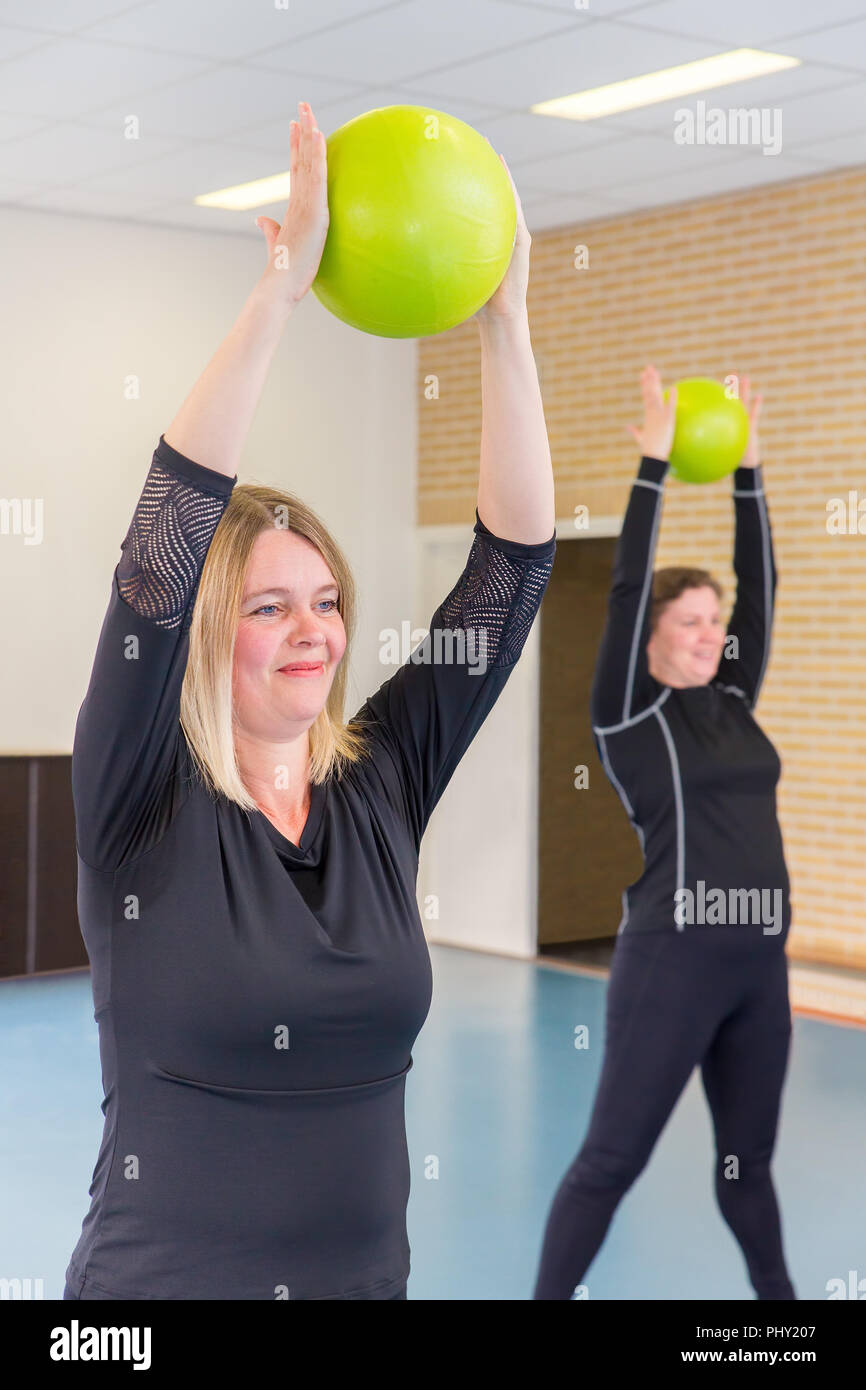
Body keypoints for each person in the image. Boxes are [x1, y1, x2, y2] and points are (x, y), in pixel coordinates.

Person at [63, 100, 556, 1300]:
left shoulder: (380, 780)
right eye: (271, 605)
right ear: (205, 628)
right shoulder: (139, 792)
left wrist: (504, 327)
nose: (314, 632)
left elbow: (510, 570)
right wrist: (277, 298)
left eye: (327, 601)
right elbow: (163, 539)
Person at [532, 364, 795, 1300]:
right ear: (651, 638)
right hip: (673, 962)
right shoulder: (629, 717)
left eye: (714, 620)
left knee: (746, 1171)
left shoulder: (732, 701)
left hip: (758, 968)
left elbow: (764, 583)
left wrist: (748, 472)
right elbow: (626, 583)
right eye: (689, 620)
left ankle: (783, 1325)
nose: (709, 632)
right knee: (610, 1163)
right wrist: (652, 462)